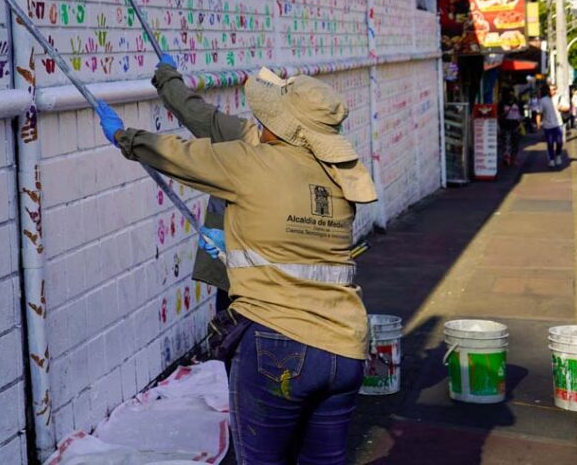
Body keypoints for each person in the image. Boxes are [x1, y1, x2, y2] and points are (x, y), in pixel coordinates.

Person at [95, 67, 378, 465]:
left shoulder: (250, 162)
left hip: (278, 344)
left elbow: (179, 154)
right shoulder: (339, 177)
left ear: (279, 127)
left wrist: (126, 137)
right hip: (345, 347)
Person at [151, 53, 260, 314]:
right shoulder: (320, 156)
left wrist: (167, 75)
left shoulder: (245, 138)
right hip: (280, 280)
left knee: (235, 334)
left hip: (244, 273)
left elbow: (193, 112)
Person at [533, 83, 565, 167]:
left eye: (554, 89)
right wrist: (538, 124)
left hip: (558, 124)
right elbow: (539, 113)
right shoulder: (543, 100)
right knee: (550, 143)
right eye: (550, 89)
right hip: (548, 126)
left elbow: (566, 107)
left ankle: (558, 156)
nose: (552, 91)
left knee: (559, 142)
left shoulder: (557, 98)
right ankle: (551, 160)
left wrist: (562, 108)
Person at [500, 93, 522, 166]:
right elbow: (500, 115)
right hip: (506, 125)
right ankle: (507, 159)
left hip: (514, 125)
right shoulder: (502, 104)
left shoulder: (517, 104)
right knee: (506, 142)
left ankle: (513, 159)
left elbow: (520, 114)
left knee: (514, 143)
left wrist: (519, 123)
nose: (511, 98)